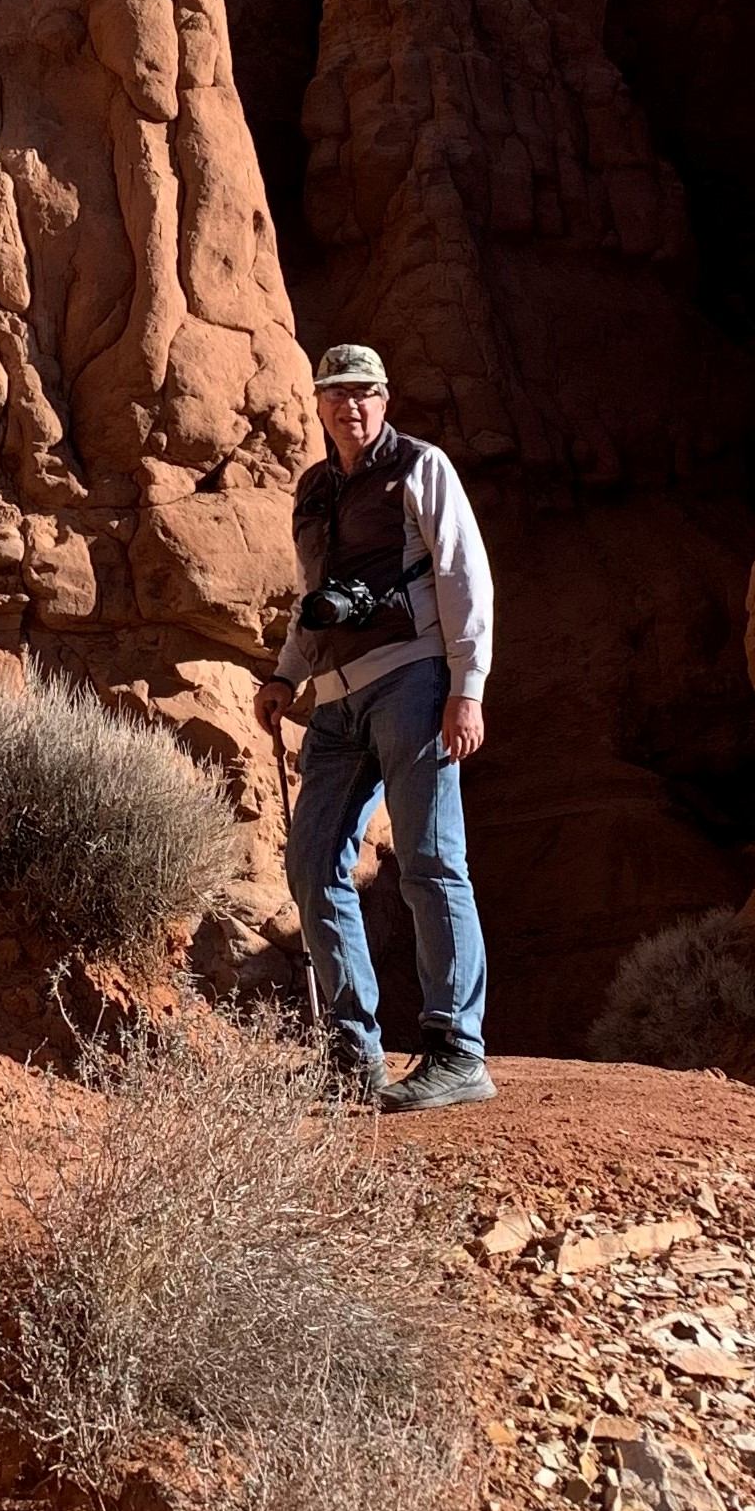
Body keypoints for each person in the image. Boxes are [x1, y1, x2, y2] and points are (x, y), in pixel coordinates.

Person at [251, 341, 496, 1112]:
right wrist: (287, 676)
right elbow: (312, 599)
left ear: (385, 399)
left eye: (364, 393)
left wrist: (467, 689)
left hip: (413, 680)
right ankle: (352, 1056)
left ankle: (457, 1052)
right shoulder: (314, 490)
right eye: (336, 394)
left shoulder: (421, 466)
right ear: (319, 406)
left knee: (430, 862)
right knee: (311, 863)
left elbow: (464, 576)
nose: (350, 406)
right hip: (335, 699)